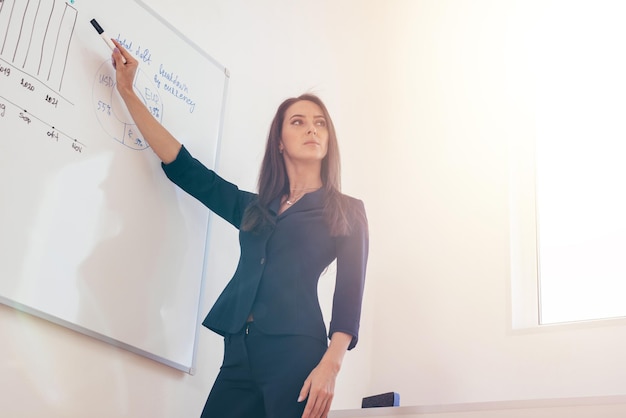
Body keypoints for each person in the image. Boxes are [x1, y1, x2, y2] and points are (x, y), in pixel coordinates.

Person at [110, 39, 368, 418]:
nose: (312, 129)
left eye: (320, 124)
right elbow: (187, 170)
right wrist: (127, 92)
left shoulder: (347, 211)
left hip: (297, 352)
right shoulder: (254, 209)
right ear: (279, 142)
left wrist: (330, 365)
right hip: (238, 353)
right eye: (298, 122)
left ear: (328, 141)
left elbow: (349, 292)